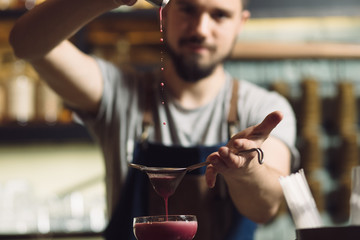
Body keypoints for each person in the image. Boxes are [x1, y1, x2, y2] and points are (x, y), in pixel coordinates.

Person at [9, 0, 299, 239]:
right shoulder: (118, 92)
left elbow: (268, 207)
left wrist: (245, 172)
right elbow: (25, 43)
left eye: (219, 15)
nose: (200, 29)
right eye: (187, 8)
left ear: (241, 23)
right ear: (165, 12)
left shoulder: (262, 108)